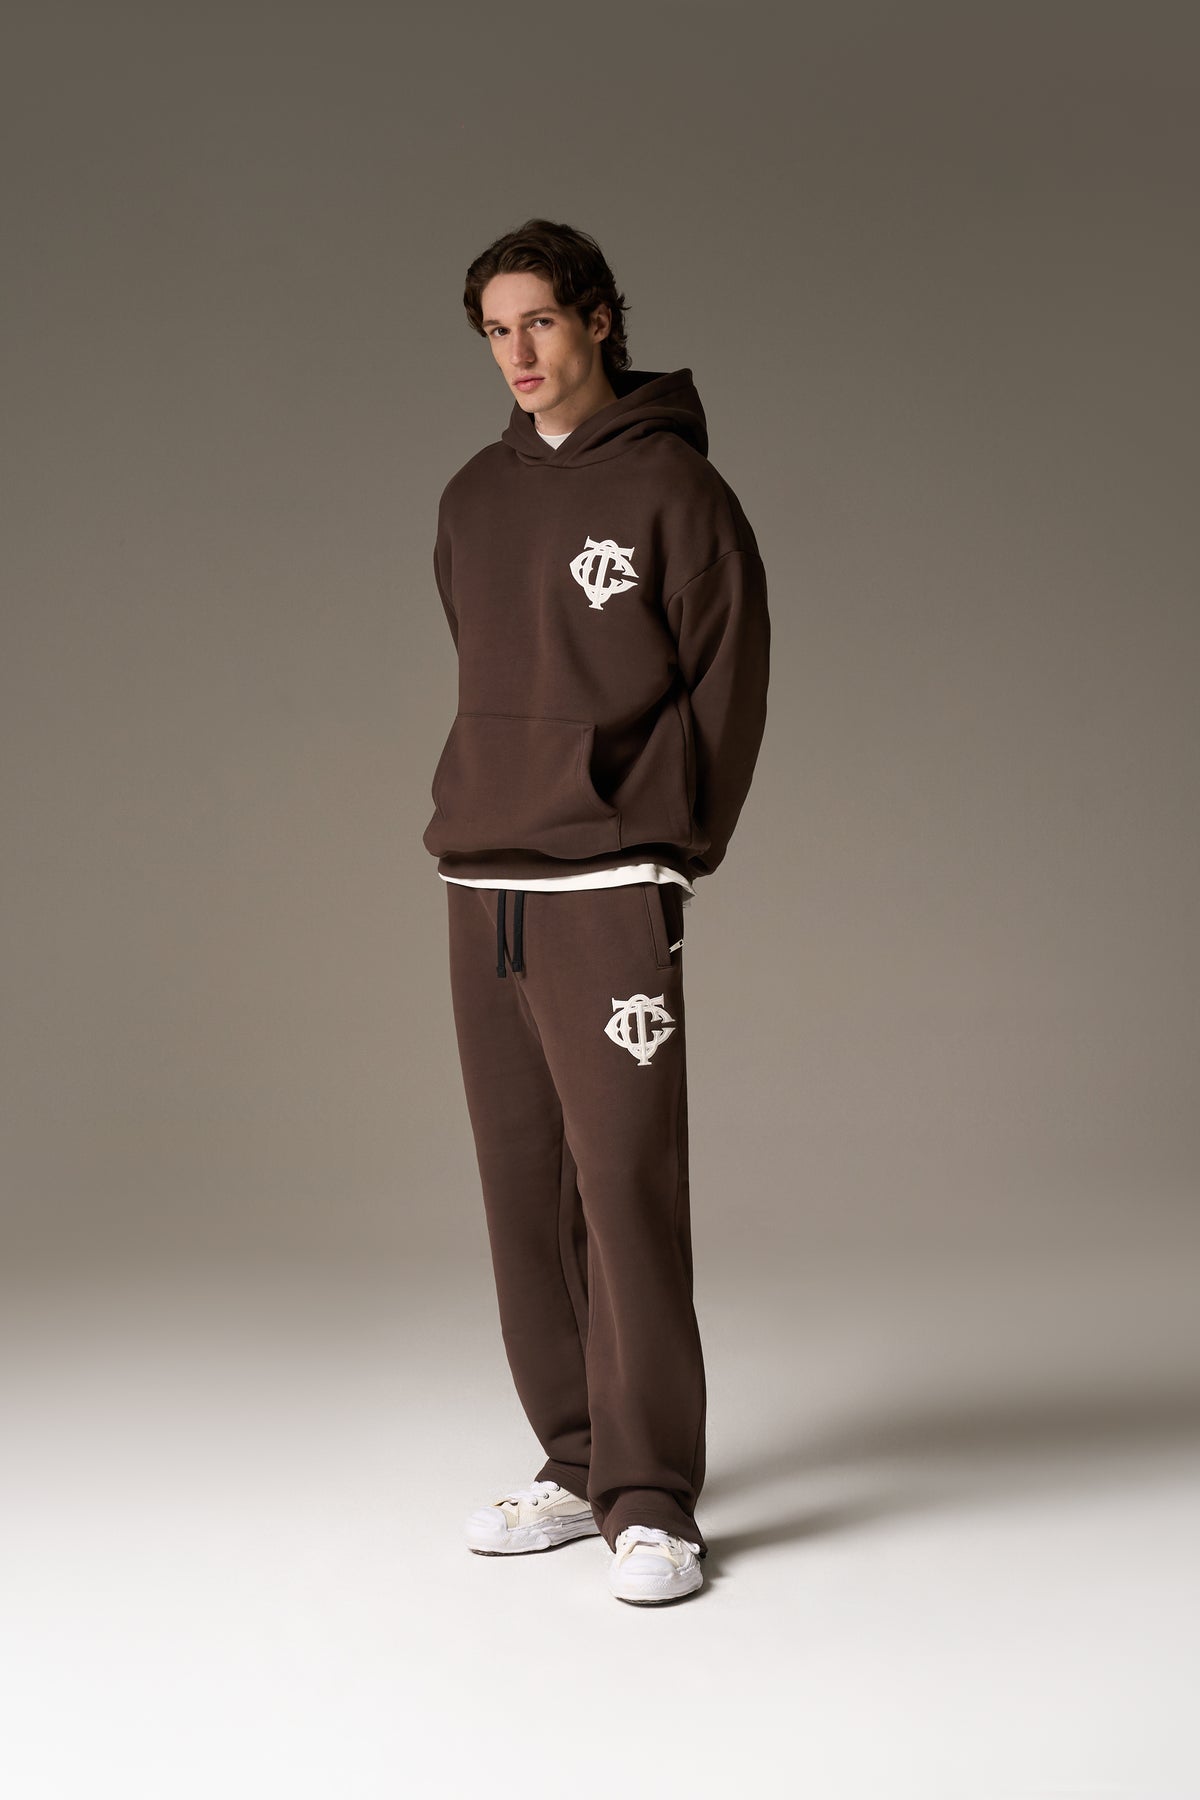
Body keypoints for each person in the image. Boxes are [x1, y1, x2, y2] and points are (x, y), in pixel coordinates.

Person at [423, 217, 770, 1605]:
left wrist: (670, 847)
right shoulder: (472, 497)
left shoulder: (679, 492)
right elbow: (489, 664)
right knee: (524, 1192)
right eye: (495, 332)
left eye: (541, 323)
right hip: (483, 883)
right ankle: (575, 1463)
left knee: (625, 1188)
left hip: (611, 887)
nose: (518, 353)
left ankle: (653, 1496)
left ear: (600, 320)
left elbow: (729, 684)